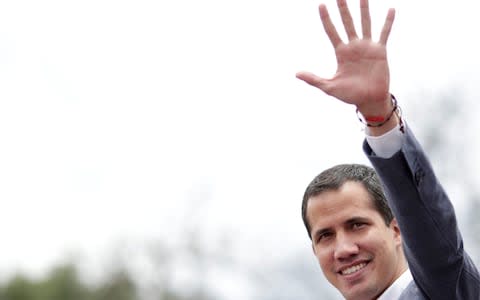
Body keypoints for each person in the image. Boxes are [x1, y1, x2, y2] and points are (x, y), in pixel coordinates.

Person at [296, 0, 480, 299]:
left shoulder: (444, 289)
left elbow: (435, 242)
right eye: (325, 235)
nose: (343, 249)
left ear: (397, 230)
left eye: (357, 225)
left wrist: (379, 117)